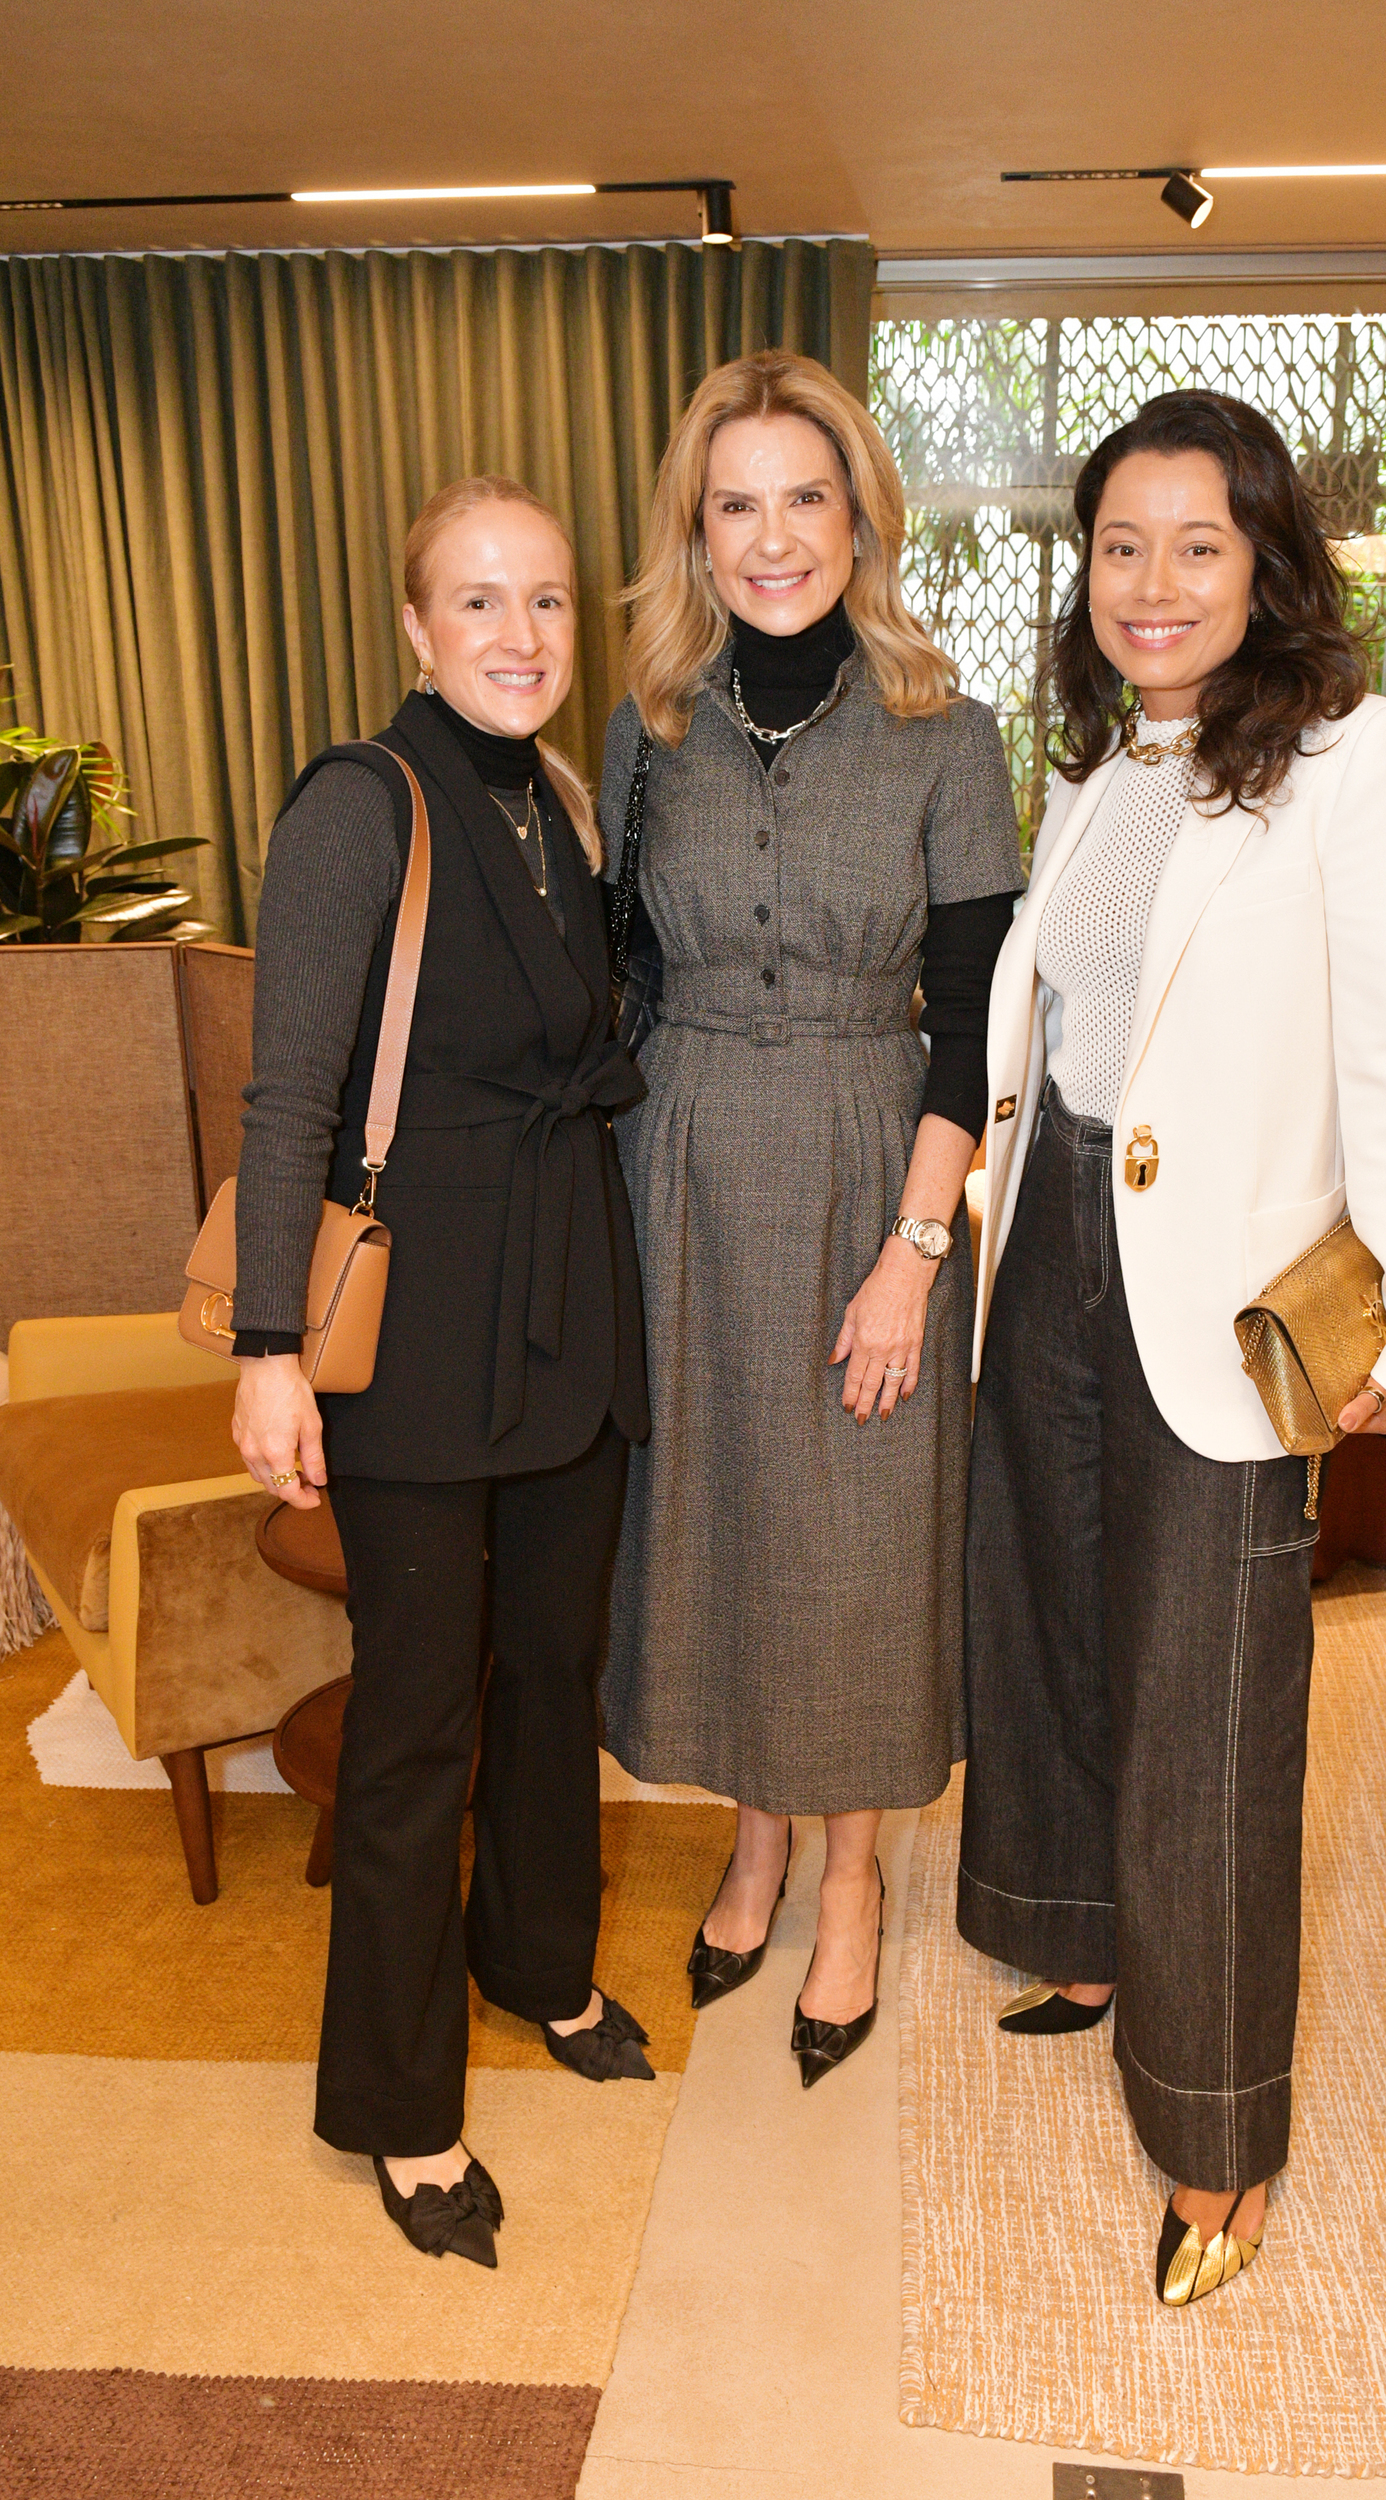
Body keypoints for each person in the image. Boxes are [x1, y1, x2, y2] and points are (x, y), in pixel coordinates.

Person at [958, 390, 1386, 2305]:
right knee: (1046, 1624)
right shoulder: (1097, 771)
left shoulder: (1365, 759)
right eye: (1119, 545)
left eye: (1197, 544)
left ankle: (1216, 2143)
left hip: (1234, 1294)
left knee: (1213, 1706)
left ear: (1266, 563)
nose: (1153, 582)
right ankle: (1081, 1935)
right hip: (1056, 1252)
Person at [231, 475, 654, 2270]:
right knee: (420, 1725)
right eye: (478, 603)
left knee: (556, 1671)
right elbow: (287, 1095)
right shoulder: (364, 803)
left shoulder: (559, 798)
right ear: (415, 625)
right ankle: (403, 2111)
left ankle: (540, 1966)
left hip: (569, 1316)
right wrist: (267, 1349)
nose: (519, 637)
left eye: (547, 602)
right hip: (408, 1343)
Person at [598, 349, 1022, 2086]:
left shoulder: (953, 730)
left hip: (876, 1155)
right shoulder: (648, 725)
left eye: (806, 498)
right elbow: (612, 976)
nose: (774, 538)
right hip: (682, 1166)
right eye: (736, 505)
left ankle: (847, 1874)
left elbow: (979, 1005)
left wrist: (914, 1256)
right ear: (696, 535)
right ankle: (755, 1831)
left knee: (857, 1536)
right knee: (718, 1520)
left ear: (862, 517)